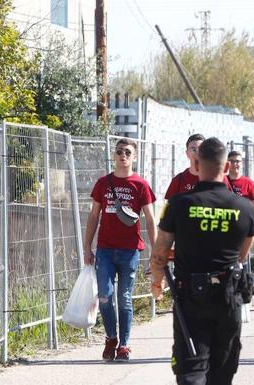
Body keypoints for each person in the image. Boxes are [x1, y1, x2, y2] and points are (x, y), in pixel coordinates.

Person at [150, 138, 254, 385]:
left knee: (191, 370)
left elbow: (160, 253)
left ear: (197, 164)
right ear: (227, 168)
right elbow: (242, 254)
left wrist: (157, 281)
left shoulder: (179, 204)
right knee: (222, 373)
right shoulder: (244, 207)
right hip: (229, 295)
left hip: (190, 297)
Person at [83, 138, 157, 361]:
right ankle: (110, 337)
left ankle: (124, 345)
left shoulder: (141, 185)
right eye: (119, 152)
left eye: (127, 152)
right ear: (114, 156)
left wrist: (156, 254)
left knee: (124, 298)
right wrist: (87, 247)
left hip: (130, 251)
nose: (123, 155)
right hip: (105, 250)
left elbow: (151, 220)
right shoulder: (103, 183)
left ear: (134, 157)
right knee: (105, 296)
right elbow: (94, 216)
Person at [164, 134, 232, 200]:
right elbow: (169, 206)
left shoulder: (220, 179)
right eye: (193, 149)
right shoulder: (178, 180)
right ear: (187, 153)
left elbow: (230, 202)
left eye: (200, 149)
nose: (197, 153)